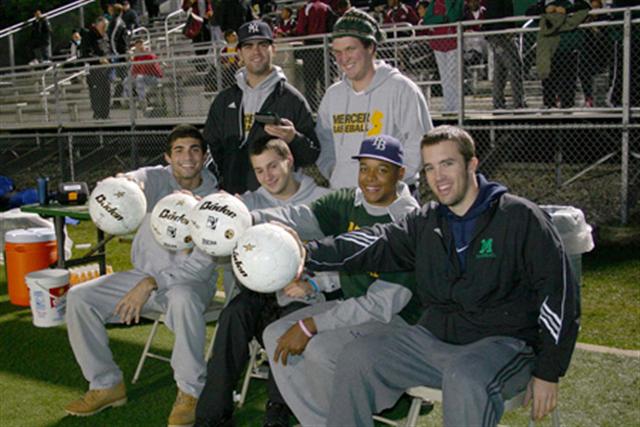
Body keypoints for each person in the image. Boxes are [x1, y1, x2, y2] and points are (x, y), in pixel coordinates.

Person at [286, 125, 580, 427]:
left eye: (447, 164)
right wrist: (305, 253)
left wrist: (548, 371)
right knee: (357, 358)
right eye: (429, 167)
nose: (439, 177)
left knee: (464, 377)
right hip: (433, 340)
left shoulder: (520, 218)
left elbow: (559, 295)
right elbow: (374, 241)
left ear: (472, 164)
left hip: (503, 345)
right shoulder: (426, 222)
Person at [259, 136, 422, 426]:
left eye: (382, 170)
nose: (370, 178)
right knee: (274, 334)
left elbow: (381, 305)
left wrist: (311, 325)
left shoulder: (410, 222)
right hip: (354, 307)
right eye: (364, 168)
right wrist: (240, 217)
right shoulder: (349, 201)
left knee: (322, 350)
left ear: (400, 173)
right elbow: (296, 217)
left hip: (399, 320)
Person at [64, 125, 219, 427]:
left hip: (189, 283)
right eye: (179, 150)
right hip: (143, 275)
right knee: (80, 298)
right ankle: (106, 384)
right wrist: (122, 183)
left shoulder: (214, 201)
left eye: (194, 150)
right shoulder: (157, 178)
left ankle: (191, 392)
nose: (187, 157)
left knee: (183, 299)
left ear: (204, 156)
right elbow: (134, 181)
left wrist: (151, 284)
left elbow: (200, 266)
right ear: (168, 157)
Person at [194, 137, 330, 427]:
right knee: (232, 315)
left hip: (304, 294)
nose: (267, 176)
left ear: (289, 160)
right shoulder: (249, 200)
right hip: (261, 294)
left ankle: (277, 410)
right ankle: (211, 416)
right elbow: (218, 222)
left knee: (288, 324)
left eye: (273, 166)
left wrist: (313, 283)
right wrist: (200, 209)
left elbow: (330, 247)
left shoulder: (322, 199)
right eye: (259, 170)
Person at [315, 8, 432, 191]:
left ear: (370, 47)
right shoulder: (333, 95)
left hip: (390, 196)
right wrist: (335, 173)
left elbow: (420, 143)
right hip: (344, 196)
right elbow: (324, 141)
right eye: (337, 52)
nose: (343, 59)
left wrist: (390, 182)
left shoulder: (401, 89)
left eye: (350, 49)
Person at [203, 20, 320, 195]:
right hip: (234, 199)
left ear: (273, 49)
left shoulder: (292, 99)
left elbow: (311, 155)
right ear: (239, 53)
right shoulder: (224, 99)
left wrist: (293, 138)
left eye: (262, 45)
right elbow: (211, 147)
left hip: (276, 200)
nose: (256, 51)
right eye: (248, 46)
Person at [422, 0, 464, 112]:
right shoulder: (434, 3)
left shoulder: (457, 2)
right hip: (438, 43)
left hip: (453, 42)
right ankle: (448, 106)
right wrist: (442, 18)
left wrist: (447, 8)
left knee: (453, 74)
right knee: (444, 76)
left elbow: (453, 17)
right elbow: (427, 21)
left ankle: (457, 107)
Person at [295, 0, 336, 111]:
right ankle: (332, 107)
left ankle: (312, 109)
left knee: (310, 84)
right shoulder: (326, 7)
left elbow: (300, 30)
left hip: (310, 48)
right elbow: (332, 26)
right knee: (327, 81)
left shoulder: (306, 8)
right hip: (325, 47)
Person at [485, 0, 526, 109]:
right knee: (514, 66)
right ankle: (518, 102)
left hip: (495, 35)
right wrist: (510, 30)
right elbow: (504, 13)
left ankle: (498, 102)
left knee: (500, 69)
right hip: (502, 35)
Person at [82, 16, 111, 120]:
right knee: (96, 92)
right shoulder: (89, 35)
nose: (104, 29)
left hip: (105, 68)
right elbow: (86, 54)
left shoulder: (105, 36)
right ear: (97, 25)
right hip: (94, 68)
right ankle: (97, 113)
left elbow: (108, 49)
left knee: (106, 91)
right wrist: (99, 60)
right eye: (103, 27)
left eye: (106, 27)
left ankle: (105, 114)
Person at [123, 39, 163, 108]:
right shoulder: (136, 57)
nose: (138, 48)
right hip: (142, 78)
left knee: (139, 78)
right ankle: (128, 99)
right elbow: (134, 71)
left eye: (140, 46)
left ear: (143, 46)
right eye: (137, 46)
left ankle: (142, 101)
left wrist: (138, 72)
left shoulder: (149, 55)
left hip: (154, 77)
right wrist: (134, 74)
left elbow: (149, 69)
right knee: (127, 80)